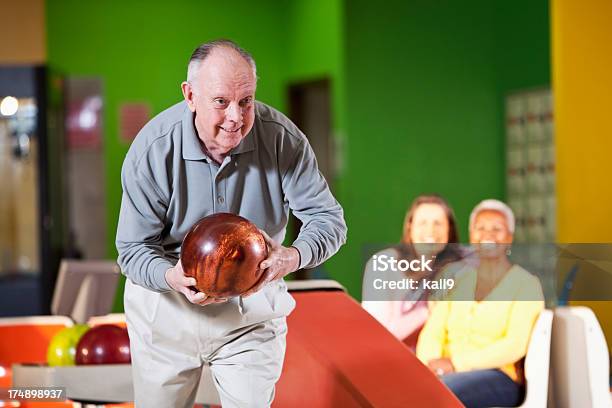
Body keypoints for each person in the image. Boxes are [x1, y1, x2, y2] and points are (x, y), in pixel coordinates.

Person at [115, 39, 347, 407]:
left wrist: (292, 257)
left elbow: (328, 220)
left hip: (249, 312)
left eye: (246, 101)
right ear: (190, 95)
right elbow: (132, 250)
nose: (236, 117)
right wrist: (171, 276)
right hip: (166, 309)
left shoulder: (282, 140)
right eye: (221, 102)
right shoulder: (152, 149)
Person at [416, 199, 544, 408]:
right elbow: (433, 331)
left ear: (509, 238)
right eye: (481, 228)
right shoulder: (458, 280)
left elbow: (515, 344)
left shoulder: (527, 285)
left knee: (435, 396)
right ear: (472, 236)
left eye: (497, 229)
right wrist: (431, 364)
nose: (488, 235)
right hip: (445, 374)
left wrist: (455, 364)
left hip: (499, 377)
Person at [362, 195, 463, 342]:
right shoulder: (384, 264)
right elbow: (379, 335)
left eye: (438, 223)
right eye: (422, 223)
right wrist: (429, 309)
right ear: (410, 227)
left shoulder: (458, 267)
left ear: (450, 230)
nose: (431, 230)